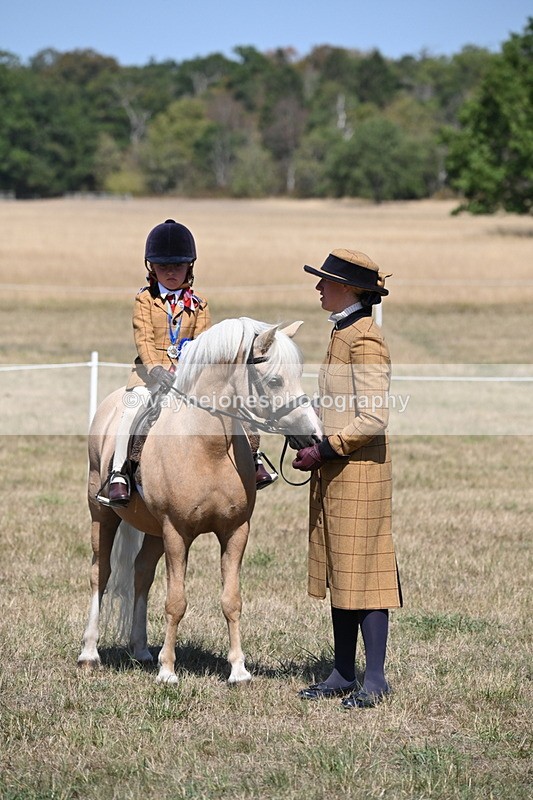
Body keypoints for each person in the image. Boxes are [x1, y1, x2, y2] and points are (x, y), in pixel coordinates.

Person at [292, 248, 402, 709]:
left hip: (358, 472)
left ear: (351, 290)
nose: (318, 287)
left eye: (326, 282)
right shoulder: (342, 332)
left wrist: (327, 448)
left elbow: (374, 415)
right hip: (335, 471)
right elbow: (340, 402)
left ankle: (373, 679)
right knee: (341, 567)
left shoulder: (365, 339)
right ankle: (341, 671)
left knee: (366, 572)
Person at [104, 218, 276, 506]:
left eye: (178, 266)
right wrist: (157, 369)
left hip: (191, 377)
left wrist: (188, 372)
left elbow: (204, 343)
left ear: (189, 267)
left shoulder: (200, 304)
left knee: (235, 403)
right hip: (149, 374)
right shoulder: (145, 301)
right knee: (131, 412)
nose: (170, 272)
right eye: (162, 267)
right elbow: (144, 339)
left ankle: (254, 459)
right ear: (152, 268)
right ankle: (119, 472)